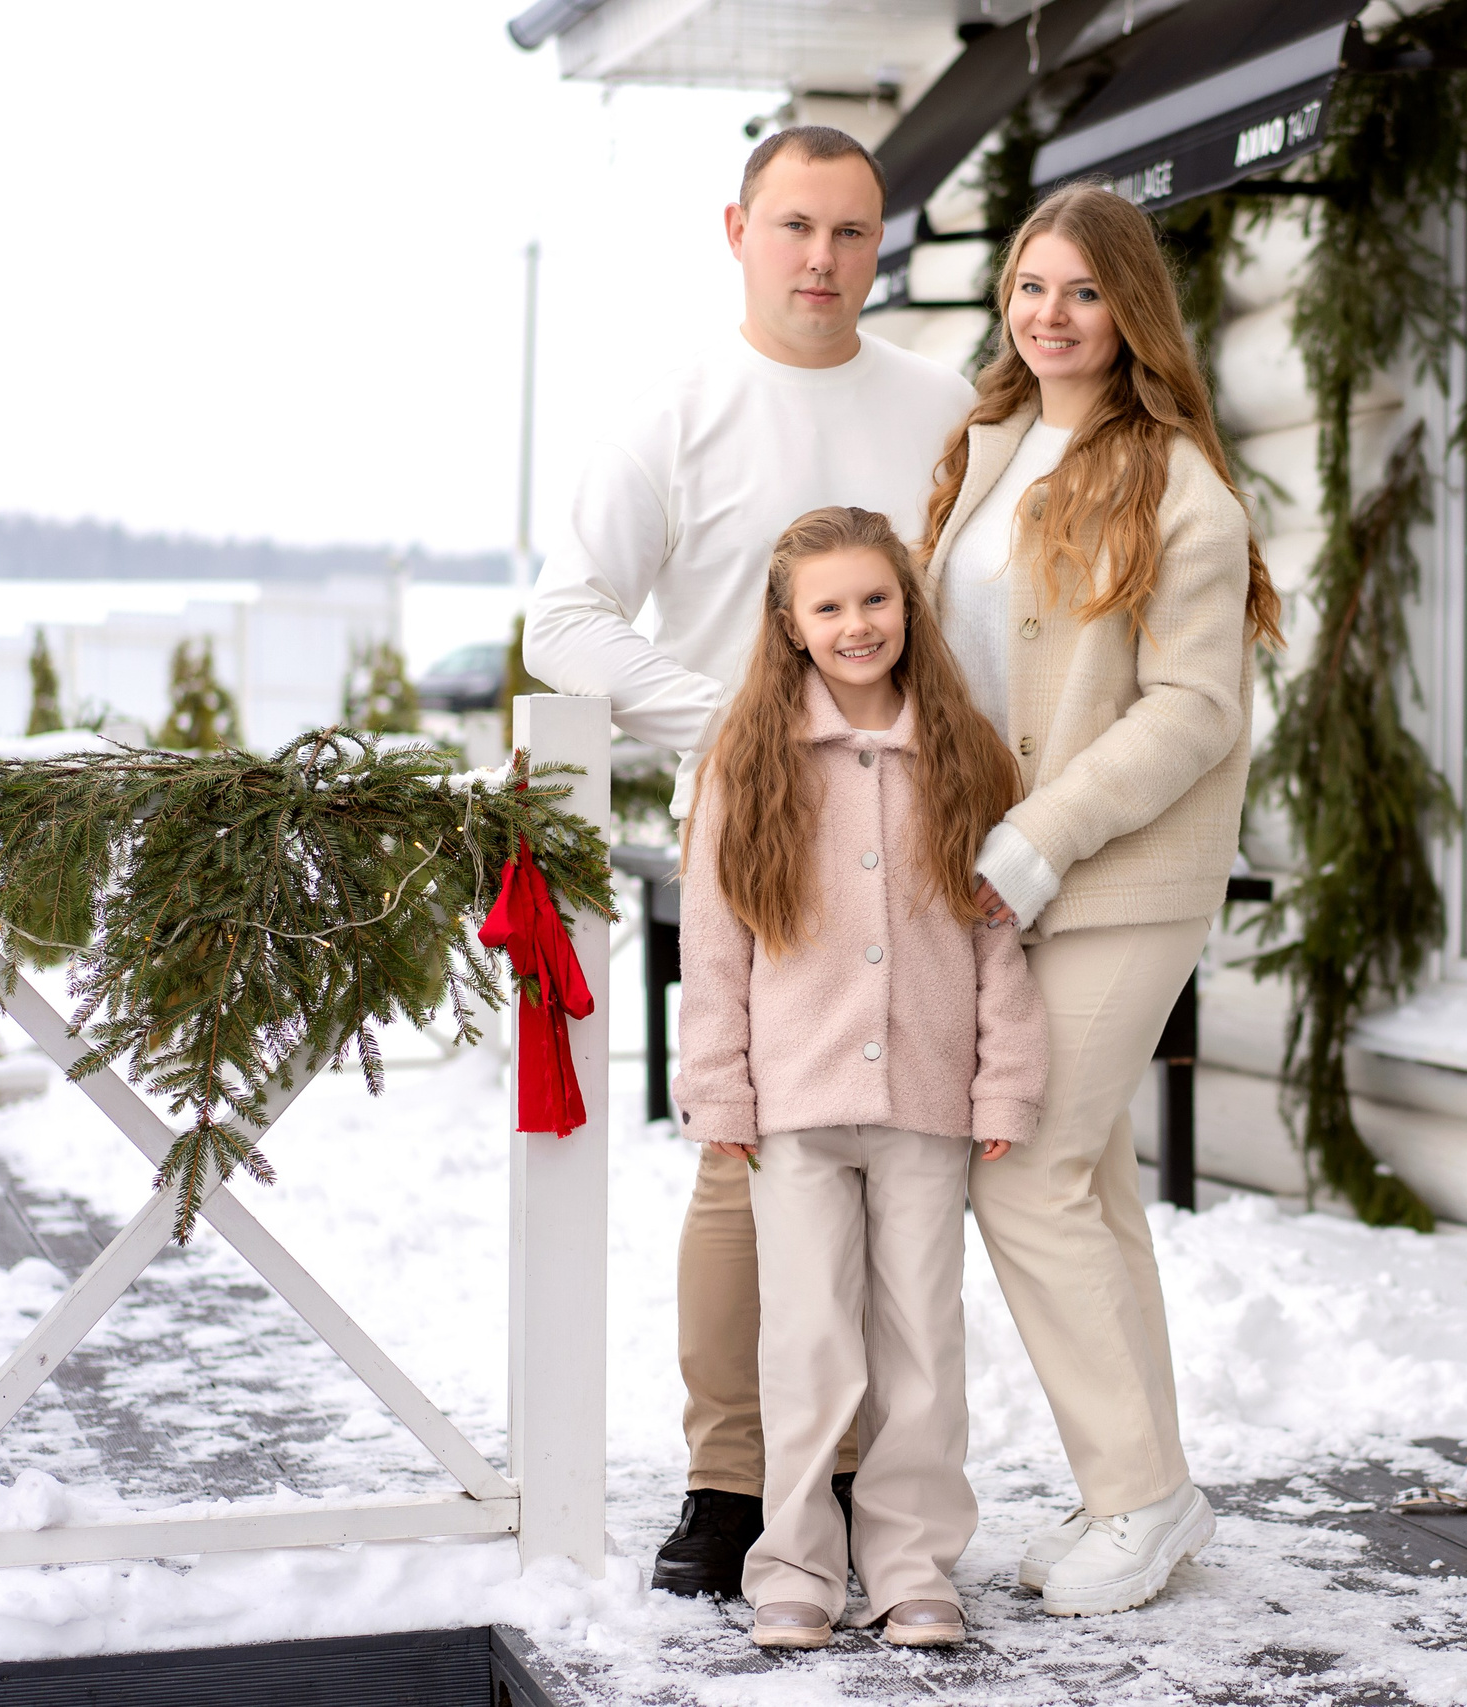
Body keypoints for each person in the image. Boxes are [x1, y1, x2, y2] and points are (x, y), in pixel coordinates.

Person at [523, 126, 975, 1597]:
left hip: (922, 840)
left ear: (881, 239)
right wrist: (736, 728)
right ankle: (731, 1479)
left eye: (850, 233)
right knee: (749, 1154)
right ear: (738, 229)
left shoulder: (943, 405)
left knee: (899, 1166)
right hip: (764, 839)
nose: (822, 260)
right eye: (794, 227)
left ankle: (851, 1476)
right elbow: (564, 618)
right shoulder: (678, 408)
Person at [921, 183, 1283, 1618]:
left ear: (1130, 308)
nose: (1050, 315)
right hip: (998, 869)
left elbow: (1196, 708)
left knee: (1023, 1165)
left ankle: (1134, 1494)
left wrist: (1041, 834)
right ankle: (1152, 1487)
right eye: (1030, 286)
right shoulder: (985, 443)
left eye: (1081, 290)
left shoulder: (1180, 481)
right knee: (1092, 1181)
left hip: (1118, 877)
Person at [673, 505, 1046, 1650]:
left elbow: (997, 936)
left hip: (928, 1103)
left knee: (922, 1345)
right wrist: (720, 1092)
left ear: (908, 607)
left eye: (874, 599)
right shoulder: (745, 762)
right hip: (794, 1108)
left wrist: (1004, 1083)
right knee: (809, 1343)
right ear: (788, 626)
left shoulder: (966, 753)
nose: (855, 624)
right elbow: (713, 941)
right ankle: (793, 1564)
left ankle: (913, 1567)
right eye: (827, 607)